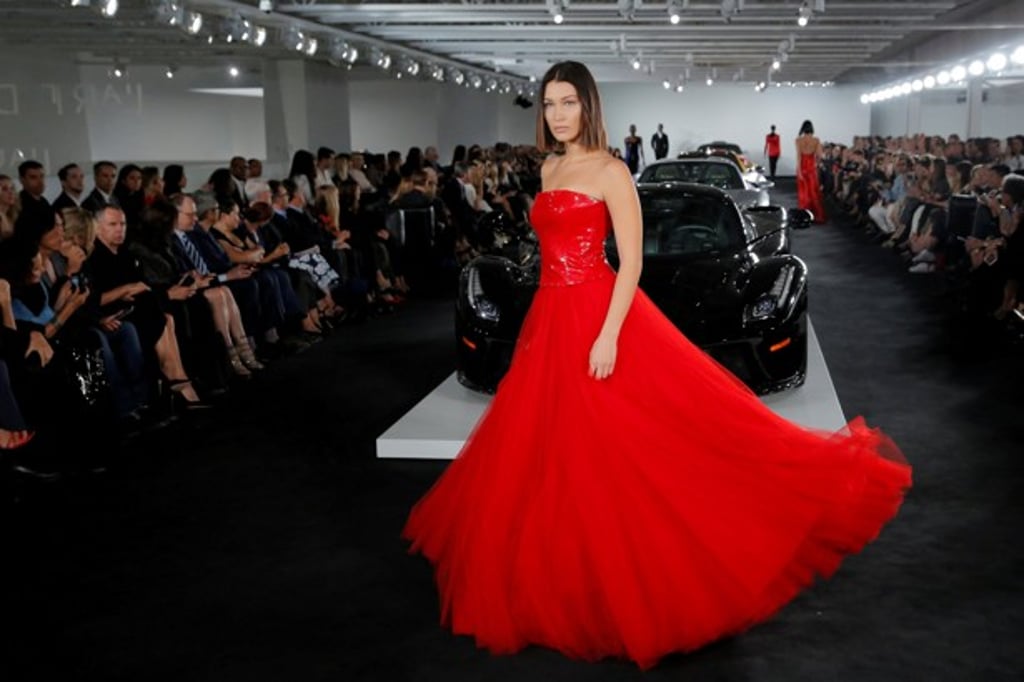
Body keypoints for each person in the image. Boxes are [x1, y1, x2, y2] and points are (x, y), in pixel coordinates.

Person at [402, 61, 912, 670]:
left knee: (628, 447)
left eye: (568, 102)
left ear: (589, 106)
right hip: (550, 315)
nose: (558, 114)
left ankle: (638, 574)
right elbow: (550, 249)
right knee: (556, 446)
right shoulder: (549, 168)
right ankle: (568, 566)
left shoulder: (612, 170)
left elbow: (633, 264)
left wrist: (609, 334)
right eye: (549, 104)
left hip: (597, 310)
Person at [796, 120, 827, 223]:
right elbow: (820, 155)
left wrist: (799, 171)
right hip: (812, 168)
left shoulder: (798, 140)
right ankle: (817, 216)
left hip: (802, 167)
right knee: (814, 193)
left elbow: (799, 157)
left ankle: (804, 216)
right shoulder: (816, 140)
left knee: (803, 194)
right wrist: (817, 163)